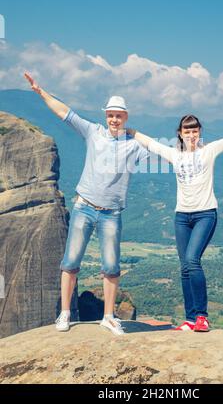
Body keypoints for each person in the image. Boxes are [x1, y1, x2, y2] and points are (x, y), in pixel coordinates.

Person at [127, 104, 223, 332]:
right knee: (184, 267)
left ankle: (202, 316)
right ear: (180, 133)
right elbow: (150, 142)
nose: (191, 135)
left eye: (195, 131)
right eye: (187, 131)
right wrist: (128, 130)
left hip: (205, 214)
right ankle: (190, 319)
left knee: (192, 260)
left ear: (199, 132)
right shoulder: (175, 155)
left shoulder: (209, 151)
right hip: (182, 216)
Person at [24, 72, 149, 335]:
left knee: (112, 267)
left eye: (119, 115)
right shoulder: (93, 132)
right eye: (111, 114)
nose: (114, 119)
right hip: (84, 207)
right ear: (106, 116)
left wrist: (194, 143)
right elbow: (65, 113)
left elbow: (165, 152)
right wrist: (40, 91)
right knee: (70, 263)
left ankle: (108, 317)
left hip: (111, 214)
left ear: (126, 117)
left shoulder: (134, 145)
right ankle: (65, 314)